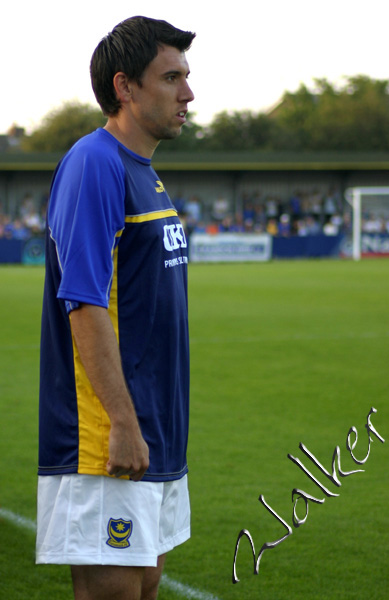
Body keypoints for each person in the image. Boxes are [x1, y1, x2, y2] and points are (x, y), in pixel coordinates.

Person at [36, 16, 195, 600]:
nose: (188, 93)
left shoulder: (143, 171)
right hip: (106, 433)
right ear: (125, 87)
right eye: (171, 77)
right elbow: (83, 302)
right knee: (114, 590)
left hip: (157, 425)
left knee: (145, 580)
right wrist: (122, 423)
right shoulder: (94, 163)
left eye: (187, 76)